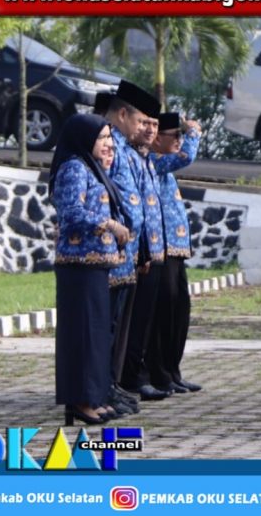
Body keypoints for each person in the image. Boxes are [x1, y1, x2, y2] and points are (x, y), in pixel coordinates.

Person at [48, 114, 129, 425]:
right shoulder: (73, 168)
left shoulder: (90, 167)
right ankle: (80, 401)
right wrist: (109, 224)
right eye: (102, 138)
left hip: (95, 264)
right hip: (78, 264)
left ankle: (93, 397)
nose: (108, 144)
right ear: (84, 139)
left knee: (95, 333)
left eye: (109, 137)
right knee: (82, 334)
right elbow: (71, 213)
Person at [103, 80, 162, 412]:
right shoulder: (109, 145)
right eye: (140, 121)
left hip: (128, 253)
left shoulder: (126, 148)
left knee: (119, 327)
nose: (143, 128)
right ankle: (103, 387)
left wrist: (141, 251)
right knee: (108, 326)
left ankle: (111, 384)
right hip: (112, 251)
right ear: (122, 114)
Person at [146, 112, 203, 394]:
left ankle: (173, 370)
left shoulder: (164, 166)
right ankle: (160, 373)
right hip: (163, 249)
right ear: (157, 139)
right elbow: (185, 157)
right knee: (164, 310)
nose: (179, 140)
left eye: (181, 136)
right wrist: (193, 133)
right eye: (175, 136)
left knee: (180, 309)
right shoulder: (154, 161)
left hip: (177, 249)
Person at [119, 110, 170, 397]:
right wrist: (142, 250)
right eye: (144, 123)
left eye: (153, 125)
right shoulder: (127, 156)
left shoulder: (146, 159)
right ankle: (130, 377)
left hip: (153, 249)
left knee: (146, 320)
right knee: (134, 320)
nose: (149, 129)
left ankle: (138, 375)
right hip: (138, 251)